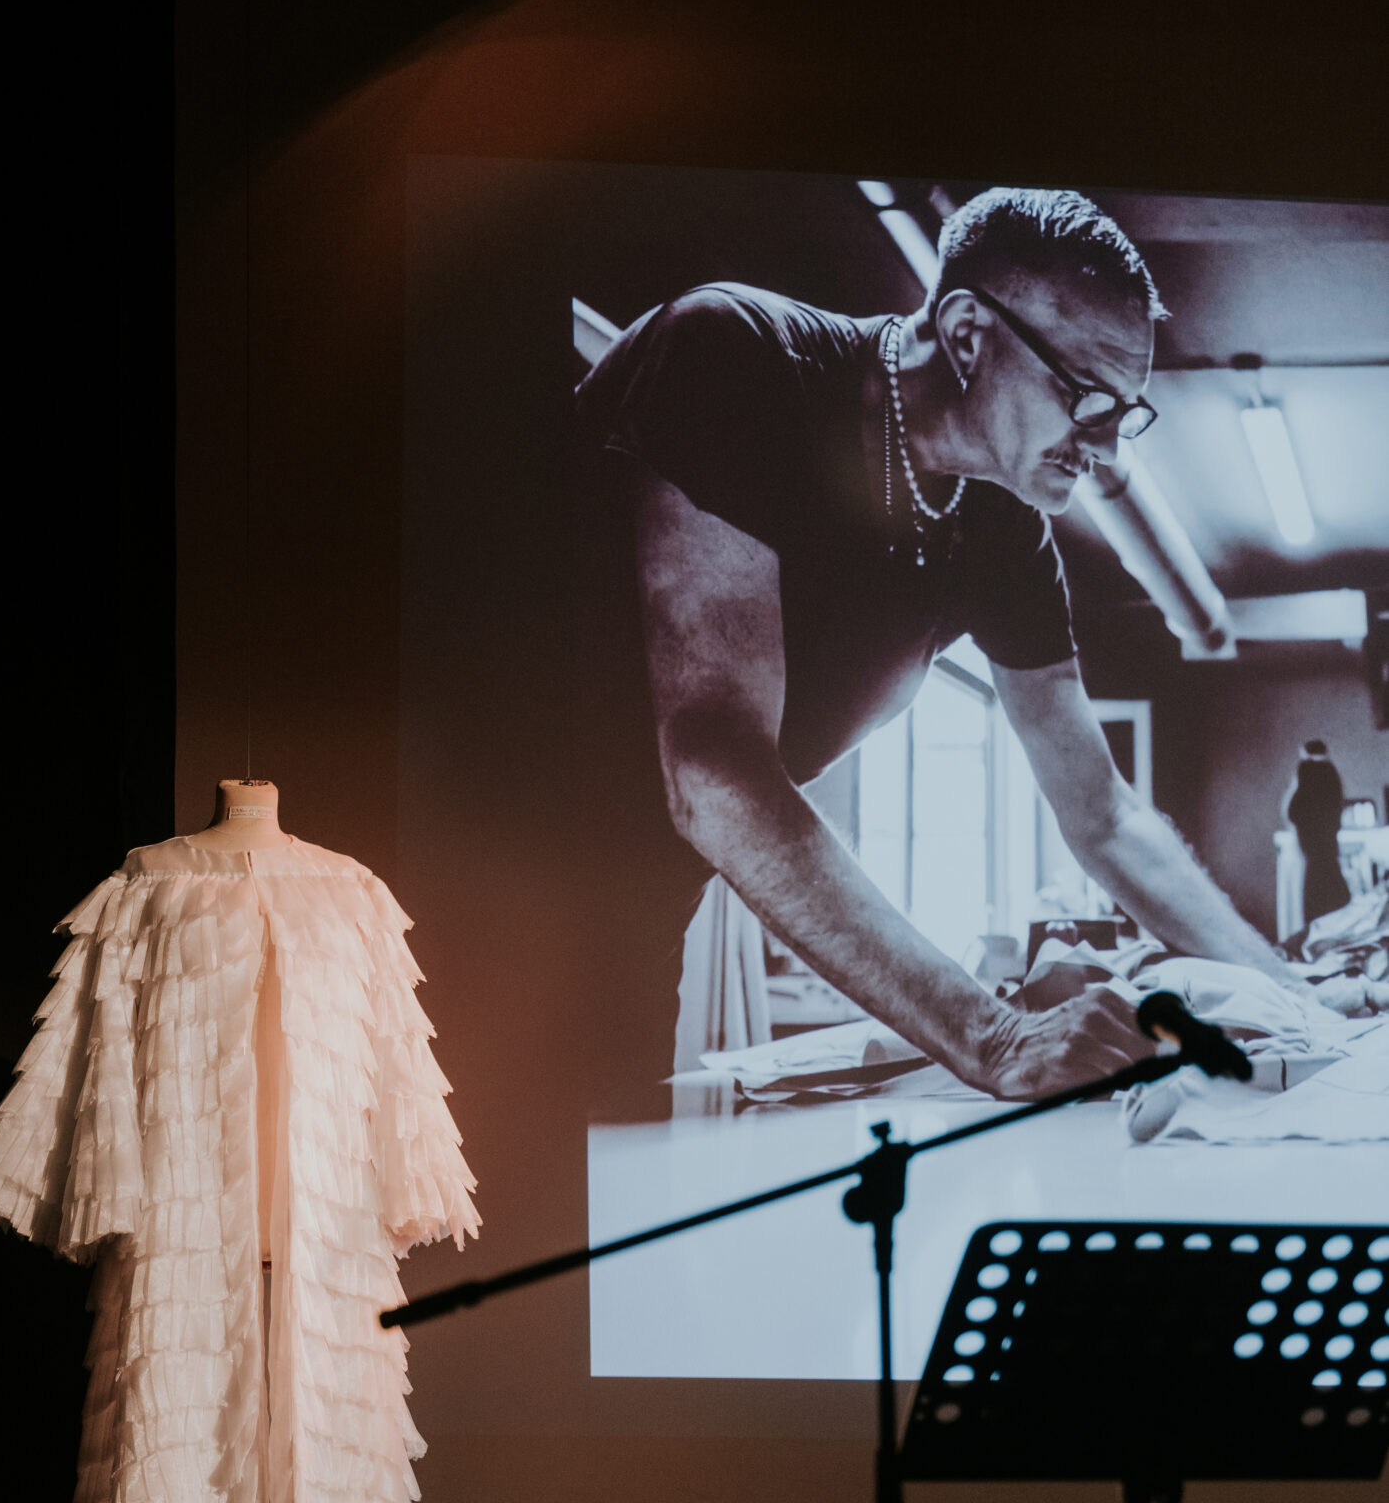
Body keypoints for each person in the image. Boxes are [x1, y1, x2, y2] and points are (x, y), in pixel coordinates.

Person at [577, 186, 1302, 1100]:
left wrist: (1298, 1002)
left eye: (1123, 413)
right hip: (446, 868)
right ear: (965, 334)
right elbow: (713, 766)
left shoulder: (999, 528)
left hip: (632, 916)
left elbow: (1103, 816)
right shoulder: (737, 356)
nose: (1106, 449)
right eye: (1085, 396)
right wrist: (992, 1036)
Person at [1286, 738, 1349, 928]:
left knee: (1316, 894)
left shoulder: (1306, 770)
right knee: (1333, 890)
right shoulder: (1331, 773)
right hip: (1326, 846)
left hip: (1313, 847)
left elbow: (1292, 811)